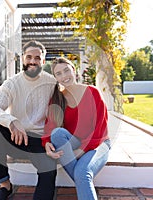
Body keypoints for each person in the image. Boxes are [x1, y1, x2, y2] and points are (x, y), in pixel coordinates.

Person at [0, 40, 57, 200]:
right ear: (22, 58)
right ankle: (5, 185)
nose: (32, 61)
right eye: (29, 57)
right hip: (17, 138)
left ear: (43, 61)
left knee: (48, 173)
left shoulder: (52, 83)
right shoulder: (12, 83)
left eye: (37, 58)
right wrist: (12, 121)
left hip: (41, 141)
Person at [42, 57, 111, 200]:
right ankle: (83, 183)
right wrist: (47, 143)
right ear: (56, 78)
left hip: (98, 144)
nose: (64, 76)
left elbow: (100, 131)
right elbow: (50, 127)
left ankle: (82, 179)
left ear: (74, 70)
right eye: (59, 73)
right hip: (76, 142)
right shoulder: (57, 99)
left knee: (82, 173)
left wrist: (80, 152)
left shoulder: (93, 92)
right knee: (57, 133)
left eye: (66, 70)